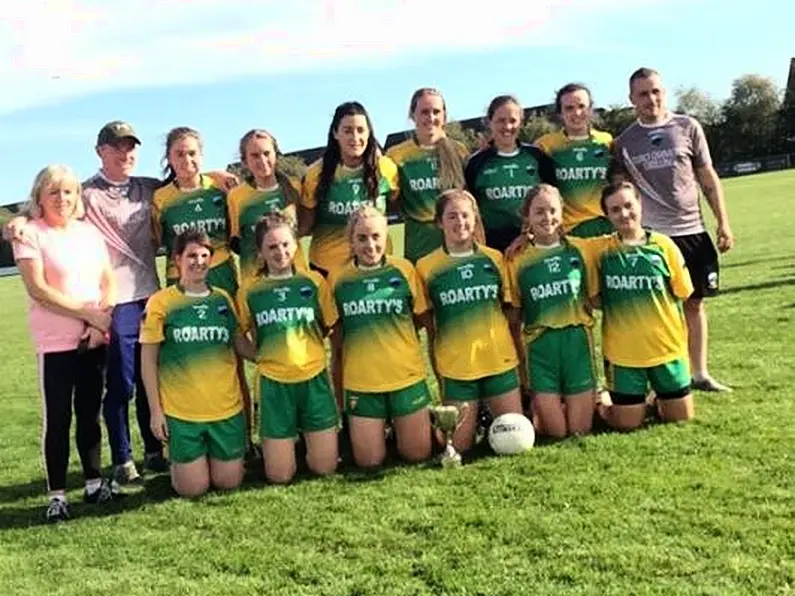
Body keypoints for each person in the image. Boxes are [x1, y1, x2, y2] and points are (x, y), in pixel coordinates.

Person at [2, 120, 238, 484]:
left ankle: (155, 450)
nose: (124, 154)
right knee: (122, 383)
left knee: (151, 378)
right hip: (117, 301)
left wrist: (215, 173)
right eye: (115, 148)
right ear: (100, 152)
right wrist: (18, 220)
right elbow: (52, 200)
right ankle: (123, 458)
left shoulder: (147, 188)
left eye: (130, 147)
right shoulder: (87, 191)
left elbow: (184, 176)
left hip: (154, 293)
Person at [611, 68, 735, 392]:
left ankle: (700, 373)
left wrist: (723, 221)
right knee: (658, 310)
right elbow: (621, 193)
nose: (651, 99)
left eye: (656, 91)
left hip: (693, 230)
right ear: (631, 100)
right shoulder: (624, 142)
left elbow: (707, 177)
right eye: (642, 94)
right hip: (654, 237)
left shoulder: (687, 127)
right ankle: (665, 376)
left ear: (664, 92)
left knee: (695, 303)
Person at [12, 165, 118, 522]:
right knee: (58, 418)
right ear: (40, 196)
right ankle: (57, 496)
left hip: (93, 340)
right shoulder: (29, 234)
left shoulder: (89, 234)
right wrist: (91, 316)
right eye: (54, 192)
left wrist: (97, 322)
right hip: (55, 344)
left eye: (69, 192)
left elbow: (108, 281)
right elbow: (39, 291)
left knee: (91, 415)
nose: (62, 199)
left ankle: (93, 484)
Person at [152, 127, 255, 451]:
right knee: (183, 358)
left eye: (193, 153)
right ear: (169, 158)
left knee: (232, 358)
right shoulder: (162, 199)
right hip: (180, 282)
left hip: (222, 275)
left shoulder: (221, 188)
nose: (187, 159)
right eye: (179, 154)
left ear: (202, 154)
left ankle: (244, 436)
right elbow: (158, 241)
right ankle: (184, 436)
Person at [139, 230, 255, 497]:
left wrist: (272, 352)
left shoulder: (223, 300)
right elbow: (148, 361)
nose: (199, 261)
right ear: (176, 259)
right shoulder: (161, 302)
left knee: (229, 483)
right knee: (193, 489)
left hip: (225, 409)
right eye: (191, 255)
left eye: (205, 255)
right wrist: (157, 412)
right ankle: (183, 461)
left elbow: (240, 344)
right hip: (183, 414)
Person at [416, 189, 522, 453]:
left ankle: (487, 415)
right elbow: (429, 326)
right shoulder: (426, 267)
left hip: (499, 361)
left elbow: (511, 315)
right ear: (439, 222)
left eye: (465, 215)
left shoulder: (494, 258)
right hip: (457, 366)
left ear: (475, 219)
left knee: (516, 436)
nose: (459, 222)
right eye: (451, 216)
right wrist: (439, 371)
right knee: (459, 448)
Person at [237, 212, 339, 483]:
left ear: (296, 245)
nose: (280, 252)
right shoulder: (251, 289)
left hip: (313, 378)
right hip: (274, 384)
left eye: (285, 244)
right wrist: (257, 357)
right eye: (271, 247)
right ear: (260, 251)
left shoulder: (313, 282)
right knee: (280, 476)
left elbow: (330, 327)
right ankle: (287, 450)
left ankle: (312, 442)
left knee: (325, 467)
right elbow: (237, 333)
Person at [328, 205, 432, 468]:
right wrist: (341, 402)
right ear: (350, 241)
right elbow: (337, 343)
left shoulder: (404, 270)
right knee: (369, 461)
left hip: (405, 377)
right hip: (362, 383)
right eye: (361, 238)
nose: (370, 245)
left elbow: (421, 320)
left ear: (386, 238)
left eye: (376, 237)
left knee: (417, 455)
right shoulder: (337, 278)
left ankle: (404, 425)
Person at [587, 181, 695, 431]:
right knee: (627, 424)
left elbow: (683, 292)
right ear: (607, 215)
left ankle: (656, 398)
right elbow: (594, 299)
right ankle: (603, 400)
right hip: (623, 355)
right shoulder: (599, 250)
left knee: (681, 418)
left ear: (640, 204)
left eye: (628, 205)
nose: (624, 214)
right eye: (615, 210)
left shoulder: (664, 246)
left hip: (667, 350)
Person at [505, 184, 598, 438]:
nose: (547, 218)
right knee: (556, 433)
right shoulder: (516, 258)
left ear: (562, 211)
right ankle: (543, 405)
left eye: (553, 210)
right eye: (539, 212)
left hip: (576, 342)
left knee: (579, 430)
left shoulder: (582, 249)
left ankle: (600, 398)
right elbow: (514, 316)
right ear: (528, 217)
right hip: (539, 346)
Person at [298, 102, 399, 277]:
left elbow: (400, 205)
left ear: (369, 133)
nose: (355, 137)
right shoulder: (316, 174)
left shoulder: (385, 169)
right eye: (347, 130)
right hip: (328, 267)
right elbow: (304, 226)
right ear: (335, 133)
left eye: (361, 130)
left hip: (376, 263)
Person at [386, 88, 469, 263]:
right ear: (412, 115)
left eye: (436, 111)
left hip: (459, 246)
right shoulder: (396, 155)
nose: (431, 117)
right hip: (419, 248)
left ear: (444, 116)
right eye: (424, 112)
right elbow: (391, 200)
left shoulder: (459, 151)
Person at [464, 95, 556, 252]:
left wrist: (529, 234)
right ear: (489, 122)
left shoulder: (537, 157)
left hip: (534, 243)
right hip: (492, 246)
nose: (507, 126)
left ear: (521, 122)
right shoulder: (476, 163)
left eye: (513, 120)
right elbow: (470, 207)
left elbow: (554, 202)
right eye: (501, 120)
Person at [228, 129, 308, 284]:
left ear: (276, 155)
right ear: (244, 161)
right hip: (255, 281)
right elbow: (235, 242)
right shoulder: (236, 196)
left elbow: (306, 228)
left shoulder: (295, 187)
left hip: (296, 277)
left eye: (266, 153)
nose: (262, 160)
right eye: (255, 155)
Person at [535, 83, 614, 237]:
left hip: (607, 225)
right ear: (560, 113)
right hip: (569, 230)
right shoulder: (546, 145)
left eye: (582, 106)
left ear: (590, 108)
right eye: (569, 108)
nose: (577, 113)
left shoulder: (606, 141)